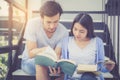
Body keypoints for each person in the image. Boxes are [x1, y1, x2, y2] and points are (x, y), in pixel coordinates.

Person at [21, 1, 68, 80]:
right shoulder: (32, 24)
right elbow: (31, 53)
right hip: (29, 62)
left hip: (50, 64)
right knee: (41, 63)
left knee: (65, 70)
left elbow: (57, 54)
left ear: (59, 17)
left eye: (56, 21)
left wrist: (54, 64)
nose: (52, 26)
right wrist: (45, 50)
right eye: (48, 22)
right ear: (42, 18)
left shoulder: (63, 31)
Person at [61, 13, 115, 80]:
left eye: (82, 31)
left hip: (90, 77)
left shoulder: (97, 42)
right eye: (75, 29)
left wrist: (108, 68)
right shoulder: (66, 41)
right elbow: (63, 64)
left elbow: (101, 68)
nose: (77, 34)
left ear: (88, 30)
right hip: (72, 78)